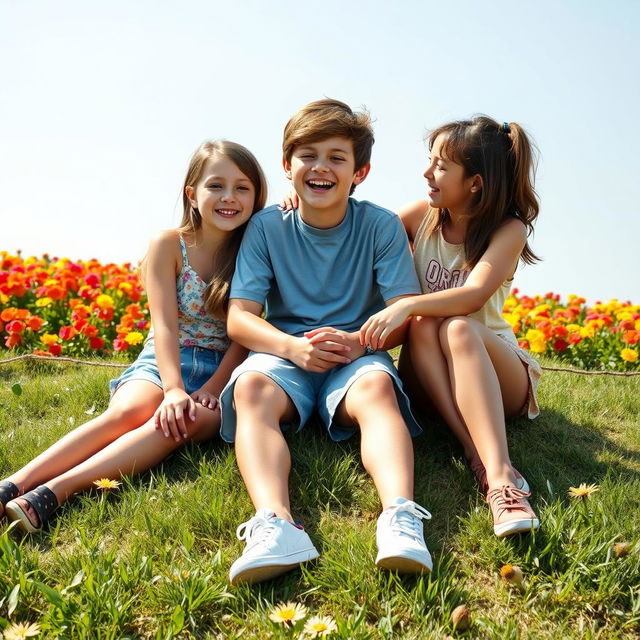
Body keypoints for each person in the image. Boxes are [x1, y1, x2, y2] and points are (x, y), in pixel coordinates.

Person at [0, 140, 267, 532]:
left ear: (257, 196)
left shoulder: (256, 249)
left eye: (243, 187)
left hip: (225, 370)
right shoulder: (168, 244)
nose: (229, 197)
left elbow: (246, 333)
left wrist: (213, 384)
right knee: (132, 411)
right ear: (192, 194)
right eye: (216, 186)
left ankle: (54, 492)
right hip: (164, 359)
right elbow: (164, 326)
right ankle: (13, 484)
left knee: (183, 422)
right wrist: (173, 388)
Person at [220, 99, 433, 586]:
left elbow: (402, 313)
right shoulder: (266, 226)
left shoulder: (379, 226)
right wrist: (292, 348)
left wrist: (359, 342)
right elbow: (240, 318)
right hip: (285, 355)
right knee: (251, 390)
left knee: (379, 393)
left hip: (356, 354)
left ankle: (400, 518)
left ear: (360, 171)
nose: (320, 167)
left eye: (337, 157)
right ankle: (276, 524)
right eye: (308, 155)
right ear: (287, 166)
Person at [359, 116, 542, 538]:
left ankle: (500, 481)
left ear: (475, 183)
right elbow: (359, 226)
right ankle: (474, 451)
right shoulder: (423, 216)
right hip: (430, 373)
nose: (427, 174)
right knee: (427, 324)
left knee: (456, 327)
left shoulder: (508, 229)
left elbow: (475, 294)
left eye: (440, 166)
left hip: (498, 372)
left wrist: (403, 308)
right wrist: (300, 202)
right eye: (430, 162)